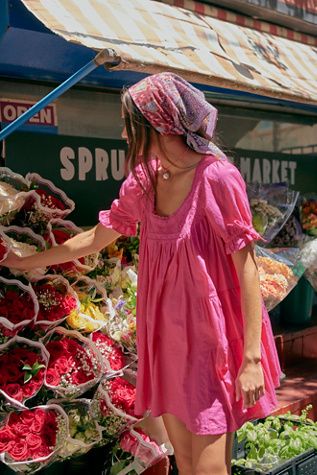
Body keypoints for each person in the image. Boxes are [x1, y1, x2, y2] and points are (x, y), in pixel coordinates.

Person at [2, 73, 281, 475]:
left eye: (129, 123)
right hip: (164, 343)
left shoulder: (216, 177)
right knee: (184, 463)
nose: (122, 132)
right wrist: (22, 261)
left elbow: (248, 267)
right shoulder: (144, 182)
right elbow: (96, 239)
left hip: (209, 346)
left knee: (207, 470)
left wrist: (251, 358)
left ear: (158, 124)